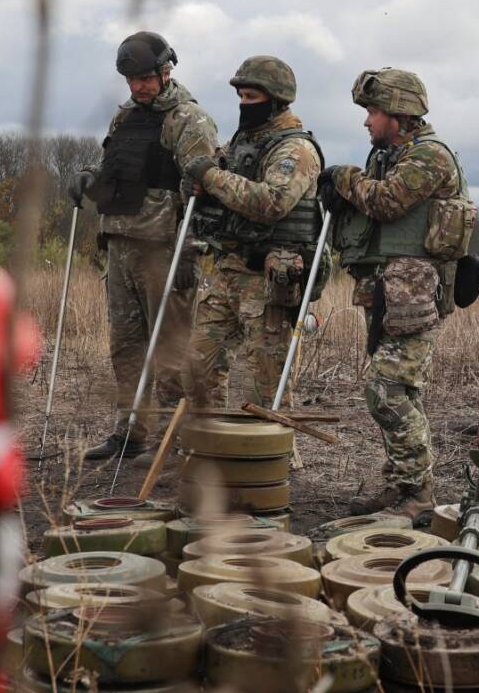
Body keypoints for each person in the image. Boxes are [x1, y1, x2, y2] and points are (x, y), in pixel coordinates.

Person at [319, 68, 475, 524]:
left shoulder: (429, 158)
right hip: (390, 290)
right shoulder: (390, 156)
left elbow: (387, 202)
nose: (367, 121)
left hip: (415, 292)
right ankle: (402, 482)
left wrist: (344, 178)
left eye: (373, 111)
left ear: (400, 114)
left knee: (385, 389)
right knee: (395, 387)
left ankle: (417, 494)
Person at [70, 31, 218, 461]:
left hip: (164, 248)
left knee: (169, 348)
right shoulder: (125, 118)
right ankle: (131, 430)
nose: (138, 87)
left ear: (165, 72)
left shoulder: (189, 120)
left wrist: (190, 251)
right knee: (126, 345)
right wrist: (87, 177)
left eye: (145, 79)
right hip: (120, 241)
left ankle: (175, 438)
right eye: (131, 80)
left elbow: (203, 190)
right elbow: (111, 166)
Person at [180, 55, 325, 410]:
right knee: (198, 365)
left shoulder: (295, 149)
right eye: (241, 97)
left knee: (267, 387)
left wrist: (211, 178)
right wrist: (196, 185)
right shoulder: (243, 142)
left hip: (267, 277)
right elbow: (215, 185)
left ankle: (275, 462)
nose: (244, 105)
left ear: (275, 100)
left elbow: (271, 202)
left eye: (251, 98)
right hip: (228, 269)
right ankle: (211, 446)